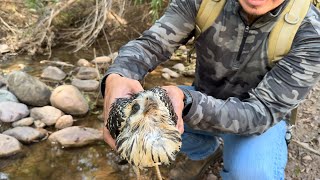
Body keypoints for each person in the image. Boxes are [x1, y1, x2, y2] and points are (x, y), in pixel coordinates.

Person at [101, 0, 320, 179]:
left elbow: (261, 112)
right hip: (202, 98)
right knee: (138, 127)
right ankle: (208, 149)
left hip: (259, 120)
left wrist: (186, 101)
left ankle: (240, 151)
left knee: (253, 173)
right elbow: (151, 44)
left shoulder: (310, 34)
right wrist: (117, 76)